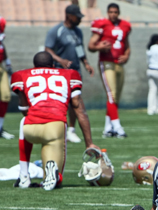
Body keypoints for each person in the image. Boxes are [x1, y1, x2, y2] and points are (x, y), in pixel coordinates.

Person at [10, 51, 100, 190]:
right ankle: (54, 175)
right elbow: (78, 108)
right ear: (53, 65)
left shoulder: (21, 75)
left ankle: (23, 176)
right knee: (54, 178)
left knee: (24, 121)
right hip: (55, 127)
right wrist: (89, 143)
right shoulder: (69, 74)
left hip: (30, 128)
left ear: (34, 66)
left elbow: (24, 109)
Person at [45, 4, 95, 144]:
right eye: (77, 17)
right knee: (59, 101)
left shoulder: (78, 31)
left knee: (75, 101)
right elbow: (48, 49)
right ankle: (58, 129)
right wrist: (61, 60)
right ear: (68, 16)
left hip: (75, 72)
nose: (79, 19)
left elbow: (80, 49)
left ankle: (71, 130)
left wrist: (85, 63)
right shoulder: (57, 30)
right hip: (60, 72)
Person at [88, 2, 131, 138]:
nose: (113, 14)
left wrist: (127, 55)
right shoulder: (102, 25)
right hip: (107, 62)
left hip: (119, 63)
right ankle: (118, 127)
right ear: (107, 13)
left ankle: (107, 128)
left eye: (115, 12)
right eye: (110, 12)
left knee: (115, 97)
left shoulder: (125, 25)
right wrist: (100, 47)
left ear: (118, 13)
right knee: (111, 95)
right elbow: (91, 45)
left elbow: (127, 45)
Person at [0, 16, 13, 140]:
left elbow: (3, 52)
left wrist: (9, 66)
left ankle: (0, 128)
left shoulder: (1, 41)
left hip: (1, 68)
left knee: (5, 96)